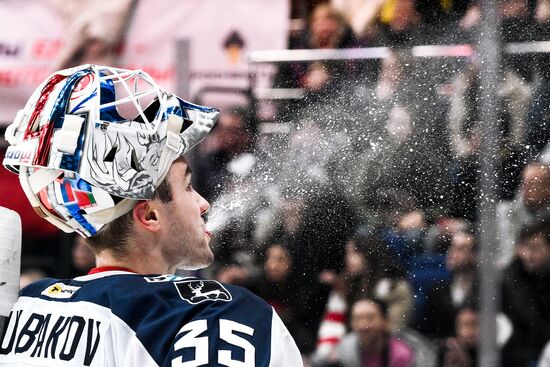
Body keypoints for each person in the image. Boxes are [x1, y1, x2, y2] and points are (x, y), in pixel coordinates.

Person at [0, 64, 302, 366]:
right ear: (150, 216)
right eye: (187, 186)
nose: (204, 204)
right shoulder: (220, 314)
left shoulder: (28, 306)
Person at [501, 216, 550, 367]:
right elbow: (531, 324)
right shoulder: (511, 278)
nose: (524, 254)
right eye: (522, 246)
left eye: (534, 248)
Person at [330, 297, 414, 367]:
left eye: (370, 317)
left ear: (386, 320)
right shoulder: (344, 348)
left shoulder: (400, 355)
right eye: (357, 318)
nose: (363, 325)